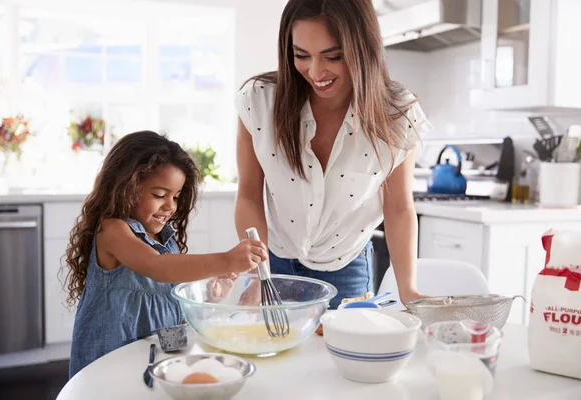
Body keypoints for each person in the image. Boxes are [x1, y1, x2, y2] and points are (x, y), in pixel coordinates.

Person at [234, 0, 433, 309]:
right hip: (271, 261)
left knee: (342, 355)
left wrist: (408, 289)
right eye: (301, 55)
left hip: (346, 267)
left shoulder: (397, 114)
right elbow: (248, 194)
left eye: (334, 56)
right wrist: (258, 274)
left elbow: (398, 208)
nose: (315, 72)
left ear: (363, 49)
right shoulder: (259, 101)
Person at [64, 131, 268, 378]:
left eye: (176, 197)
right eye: (159, 195)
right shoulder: (112, 231)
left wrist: (209, 295)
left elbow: (167, 301)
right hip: (110, 361)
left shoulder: (165, 240)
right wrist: (225, 259)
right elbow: (156, 266)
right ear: (126, 186)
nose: (170, 206)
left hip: (156, 358)